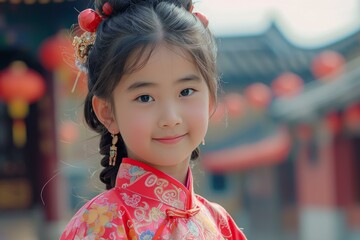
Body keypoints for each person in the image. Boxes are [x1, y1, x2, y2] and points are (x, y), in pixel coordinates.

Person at [60, 0, 247, 239]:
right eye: (145, 97)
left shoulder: (219, 223)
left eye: (186, 92)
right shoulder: (101, 224)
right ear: (107, 112)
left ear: (210, 99)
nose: (170, 118)